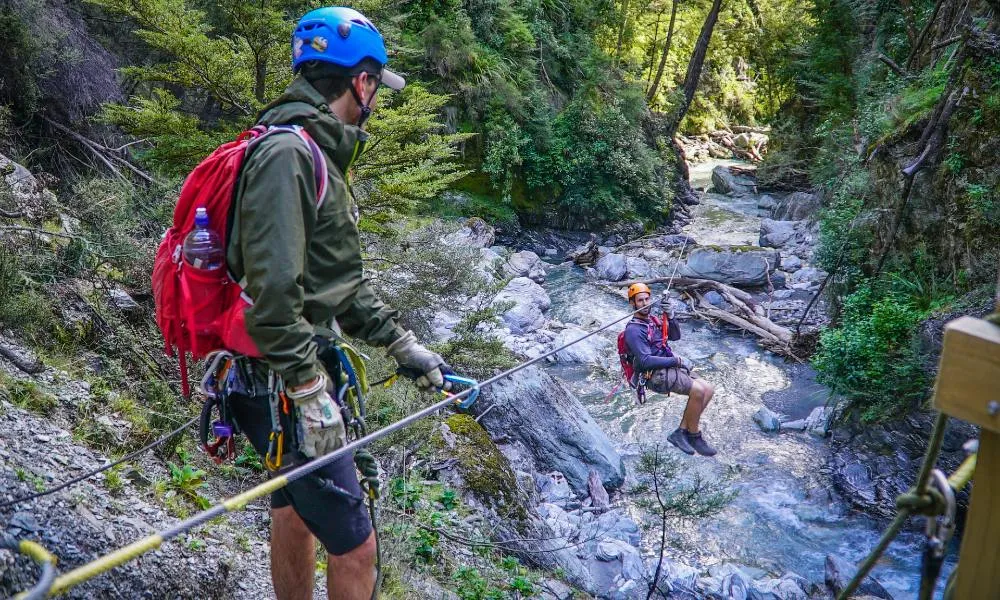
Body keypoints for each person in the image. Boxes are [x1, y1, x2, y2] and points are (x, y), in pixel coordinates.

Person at [224, 7, 447, 599]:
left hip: (273, 370)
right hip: (280, 376)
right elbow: (272, 298)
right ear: (360, 80)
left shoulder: (313, 150)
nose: (376, 96)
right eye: (375, 82)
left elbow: (336, 282)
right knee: (355, 543)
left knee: (295, 508)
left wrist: (401, 343)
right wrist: (308, 390)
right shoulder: (290, 156)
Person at [623, 283, 717, 456]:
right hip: (653, 374)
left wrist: (671, 316)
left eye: (647, 299)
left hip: (666, 366)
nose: (645, 303)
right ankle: (695, 435)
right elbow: (644, 360)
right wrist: (678, 361)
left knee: (708, 390)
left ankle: (681, 432)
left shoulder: (651, 321)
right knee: (698, 391)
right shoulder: (634, 330)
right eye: (640, 300)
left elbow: (675, 336)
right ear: (633, 304)